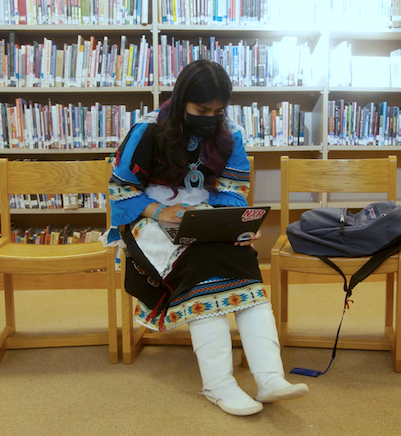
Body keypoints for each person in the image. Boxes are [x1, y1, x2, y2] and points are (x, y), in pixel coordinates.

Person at [106, 59, 308, 416]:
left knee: (243, 258)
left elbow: (233, 191)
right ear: (182, 99)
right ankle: (218, 384)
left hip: (206, 218)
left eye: (218, 110)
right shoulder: (147, 130)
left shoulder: (230, 132)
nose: (211, 117)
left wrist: (234, 224)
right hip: (149, 219)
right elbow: (121, 191)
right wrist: (159, 211)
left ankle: (270, 377)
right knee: (199, 265)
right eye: (201, 109)